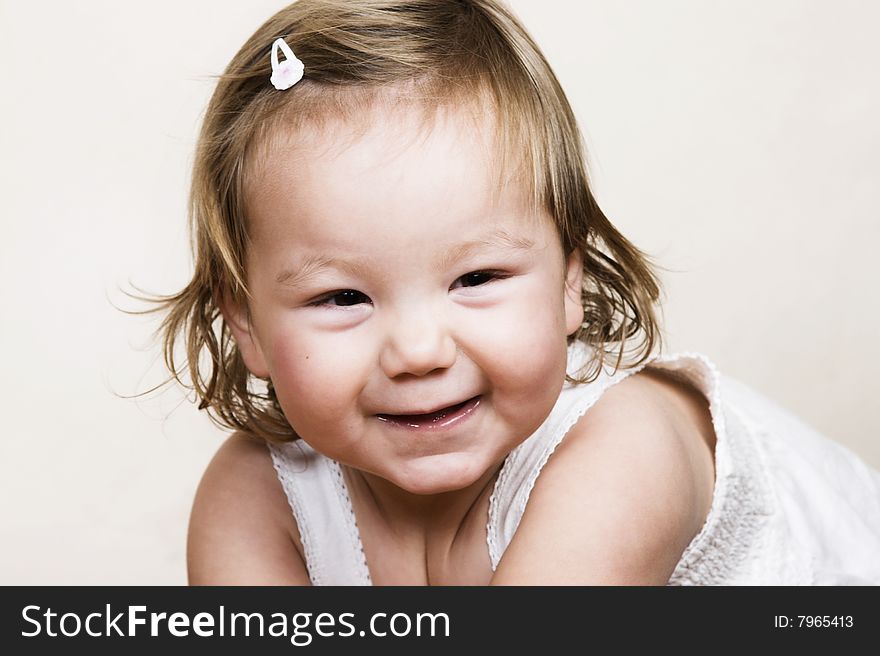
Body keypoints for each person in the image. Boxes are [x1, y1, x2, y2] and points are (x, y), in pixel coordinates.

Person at [148, 0, 880, 585]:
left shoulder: (622, 456)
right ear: (244, 322)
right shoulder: (255, 501)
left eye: (476, 279)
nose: (417, 352)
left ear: (570, 280)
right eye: (343, 298)